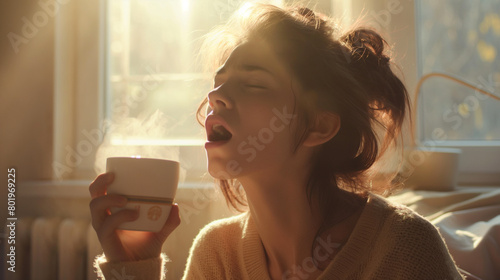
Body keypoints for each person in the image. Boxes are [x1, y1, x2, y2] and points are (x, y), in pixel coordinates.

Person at [90, 3, 464, 279]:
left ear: (319, 126)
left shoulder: (403, 249)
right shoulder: (217, 254)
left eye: (253, 84)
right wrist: (133, 265)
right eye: (217, 83)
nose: (215, 97)